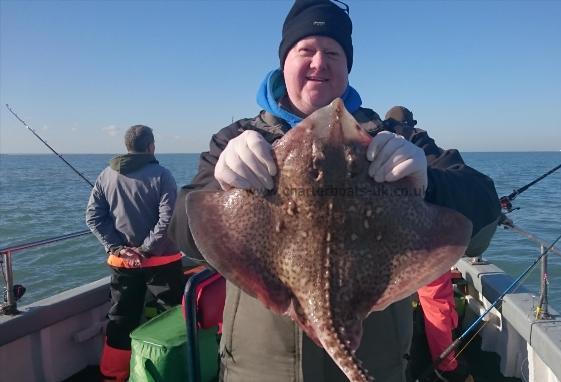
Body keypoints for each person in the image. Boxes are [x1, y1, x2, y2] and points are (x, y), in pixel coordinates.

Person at [169, 1, 501, 381]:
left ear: (347, 66)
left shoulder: (392, 139)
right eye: (305, 50)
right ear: (284, 61)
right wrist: (221, 184)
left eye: (332, 53)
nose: (318, 63)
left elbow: (484, 212)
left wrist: (430, 182)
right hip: (260, 369)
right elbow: (180, 232)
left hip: (377, 361)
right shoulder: (239, 141)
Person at [385, 107, 490, 382]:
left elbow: (468, 183)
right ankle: (446, 366)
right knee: (437, 303)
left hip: (395, 249)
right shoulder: (415, 141)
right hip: (418, 245)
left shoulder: (387, 139)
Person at [86, 125, 184, 381]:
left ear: (127, 146)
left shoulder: (105, 175)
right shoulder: (162, 175)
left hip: (122, 264)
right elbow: (168, 219)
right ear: (151, 146)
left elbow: (94, 218)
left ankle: (113, 374)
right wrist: (145, 249)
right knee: (169, 316)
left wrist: (118, 248)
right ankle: (163, 372)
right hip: (162, 262)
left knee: (121, 317)